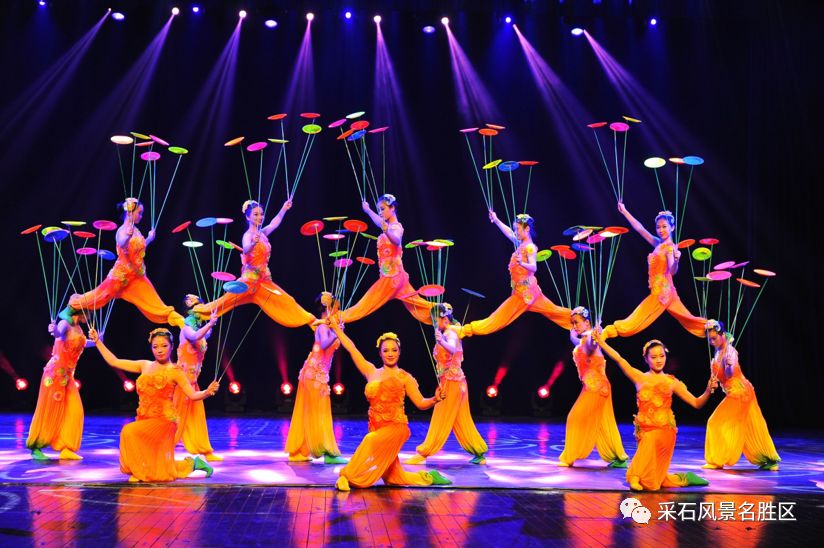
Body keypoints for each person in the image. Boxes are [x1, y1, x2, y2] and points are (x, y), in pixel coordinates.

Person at [325, 319, 452, 490]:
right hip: (377, 427)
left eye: (394, 350)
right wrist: (334, 327)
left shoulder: (405, 377)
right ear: (380, 353)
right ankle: (429, 477)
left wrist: (435, 399)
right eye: (386, 350)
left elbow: (421, 403)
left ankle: (346, 476)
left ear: (399, 352)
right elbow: (351, 348)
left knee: (369, 441)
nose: (390, 353)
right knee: (394, 478)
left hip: (396, 428)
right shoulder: (371, 371)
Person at [88, 326, 219, 482]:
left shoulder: (175, 371)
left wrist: (207, 392)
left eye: (164, 346)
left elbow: (192, 394)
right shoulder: (145, 365)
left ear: (171, 347)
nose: (160, 350)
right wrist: (97, 341)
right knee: (160, 464)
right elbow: (114, 361)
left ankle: (138, 472)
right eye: (155, 346)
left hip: (164, 421)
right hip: (145, 418)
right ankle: (194, 463)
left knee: (129, 431)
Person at [593, 330, 714, 491]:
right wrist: (601, 343)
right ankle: (634, 477)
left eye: (662, 356)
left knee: (655, 483)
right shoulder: (639, 377)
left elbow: (697, 403)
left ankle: (673, 477)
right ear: (646, 359)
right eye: (654, 357)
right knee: (649, 447)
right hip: (645, 431)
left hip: (666, 432)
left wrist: (707, 390)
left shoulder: (672, 382)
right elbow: (619, 359)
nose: (658, 360)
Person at [63, 198, 184, 328]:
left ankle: (181, 322)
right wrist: (127, 236)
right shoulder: (122, 230)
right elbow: (121, 243)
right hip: (120, 276)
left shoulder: (136, 230)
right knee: (99, 296)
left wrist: (149, 238)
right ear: (130, 212)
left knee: (155, 303)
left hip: (137, 277)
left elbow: (137, 249)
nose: (141, 216)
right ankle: (70, 309)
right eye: (140, 212)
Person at [193, 199, 315, 328]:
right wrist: (253, 243)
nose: (260, 217)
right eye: (256, 214)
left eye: (261, 214)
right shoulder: (248, 235)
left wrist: (284, 208)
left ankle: (311, 321)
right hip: (249, 281)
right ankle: (199, 312)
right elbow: (245, 249)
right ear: (248, 216)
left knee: (288, 300)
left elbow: (274, 223)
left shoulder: (262, 233)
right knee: (225, 301)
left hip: (264, 281)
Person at [461, 212, 571, 338]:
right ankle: (577, 319)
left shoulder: (529, 247)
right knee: (553, 311)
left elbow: (534, 267)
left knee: (497, 318)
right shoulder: (521, 244)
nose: (516, 232)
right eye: (515, 229)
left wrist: (522, 263)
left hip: (524, 295)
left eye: (518, 229)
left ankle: (465, 330)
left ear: (527, 229)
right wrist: (496, 220)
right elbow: (509, 233)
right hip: (527, 291)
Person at [602, 205, 705, 339]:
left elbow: (673, 271)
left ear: (672, 227)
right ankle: (710, 328)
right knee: (688, 318)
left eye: (664, 226)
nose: (661, 230)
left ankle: (613, 330)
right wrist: (625, 211)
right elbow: (640, 229)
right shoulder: (658, 244)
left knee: (640, 314)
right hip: (666, 290)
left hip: (662, 293)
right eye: (658, 227)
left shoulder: (669, 248)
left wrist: (677, 260)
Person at [405, 303, 488, 465]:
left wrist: (441, 341)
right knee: (461, 419)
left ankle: (424, 453)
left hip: (452, 382)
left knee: (440, 417)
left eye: (435, 320)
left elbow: (453, 350)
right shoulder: (451, 331)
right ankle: (479, 452)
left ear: (443, 318)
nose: (435, 323)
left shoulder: (451, 332)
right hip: (456, 381)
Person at [341, 194, 434, 324]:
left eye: (383, 209)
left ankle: (337, 318)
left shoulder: (396, 227)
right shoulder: (387, 227)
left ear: (392, 208)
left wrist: (386, 230)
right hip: (398, 277)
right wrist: (368, 210)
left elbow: (396, 240)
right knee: (419, 305)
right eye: (379, 209)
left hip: (391, 279)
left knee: (366, 304)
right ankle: (443, 313)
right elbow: (380, 223)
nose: (380, 212)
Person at [703, 320, 780, 470]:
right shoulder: (718, 350)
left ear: (722, 335)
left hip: (740, 392)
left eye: (714, 338)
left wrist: (730, 365)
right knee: (752, 425)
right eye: (710, 339)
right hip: (739, 391)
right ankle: (768, 459)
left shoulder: (731, 352)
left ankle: (716, 460)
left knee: (715, 422)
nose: (712, 342)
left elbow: (729, 374)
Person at [557, 307, 628, 468]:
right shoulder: (584, 338)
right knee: (604, 424)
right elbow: (579, 342)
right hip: (596, 387)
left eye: (576, 323)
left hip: (596, 388)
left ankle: (569, 457)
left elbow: (589, 345)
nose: (574, 326)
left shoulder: (591, 339)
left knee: (574, 417)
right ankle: (620, 458)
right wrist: (574, 336)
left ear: (587, 323)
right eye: (572, 323)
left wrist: (593, 337)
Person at [284, 292, 347, 464]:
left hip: (318, 374)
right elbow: (324, 344)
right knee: (318, 413)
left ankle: (301, 451)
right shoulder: (322, 328)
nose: (338, 310)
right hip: (314, 375)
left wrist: (336, 330)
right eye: (336, 307)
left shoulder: (327, 326)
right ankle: (327, 452)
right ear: (328, 308)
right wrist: (336, 332)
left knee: (314, 412)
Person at [26, 310, 87, 461]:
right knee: (49, 410)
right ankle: (36, 446)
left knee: (75, 411)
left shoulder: (78, 327)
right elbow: (59, 334)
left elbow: (79, 343)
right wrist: (54, 331)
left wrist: (97, 341)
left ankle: (66, 448)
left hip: (68, 377)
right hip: (55, 376)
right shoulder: (64, 323)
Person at [173, 295, 221, 461]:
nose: (199, 310)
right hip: (181, 381)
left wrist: (211, 319)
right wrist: (209, 324)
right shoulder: (187, 327)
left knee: (197, 417)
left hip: (193, 382)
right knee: (176, 416)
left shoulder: (198, 328)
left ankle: (204, 450)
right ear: (189, 311)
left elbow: (204, 336)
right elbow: (194, 337)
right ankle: (164, 448)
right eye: (196, 307)